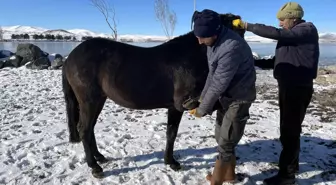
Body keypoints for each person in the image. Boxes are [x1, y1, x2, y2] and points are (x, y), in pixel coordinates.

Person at [232, 2, 319, 185]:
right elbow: (280, 60)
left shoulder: (306, 30)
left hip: (297, 88)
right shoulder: (294, 36)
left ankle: (287, 176)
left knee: (289, 131)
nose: (280, 23)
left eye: (282, 20)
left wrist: (247, 26)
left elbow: (278, 33)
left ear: (293, 18)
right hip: (289, 86)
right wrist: (256, 63)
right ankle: (292, 166)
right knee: (290, 129)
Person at [189, 9, 256, 185]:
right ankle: (229, 176)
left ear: (215, 32)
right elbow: (212, 74)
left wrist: (202, 110)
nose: (199, 41)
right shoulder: (214, 43)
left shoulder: (231, 47)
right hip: (226, 97)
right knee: (221, 137)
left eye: (202, 37)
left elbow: (219, 82)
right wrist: (202, 99)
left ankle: (216, 181)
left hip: (239, 98)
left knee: (225, 142)